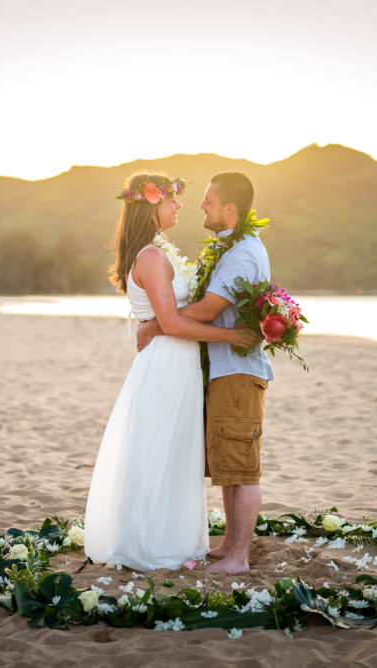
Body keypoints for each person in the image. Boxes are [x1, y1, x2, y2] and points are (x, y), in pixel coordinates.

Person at [84, 173, 258, 571]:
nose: (179, 206)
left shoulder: (157, 252)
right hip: (167, 362)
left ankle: (173, 540)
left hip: (177, 363)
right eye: (171, 201)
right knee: (162, 451)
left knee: (176, 451)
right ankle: (157, 546)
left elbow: (169, 318)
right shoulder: (153, 257)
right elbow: (174, 323)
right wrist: (231, 334)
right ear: (151, 207)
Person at [137, 172, 272, 575]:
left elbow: (208, 309)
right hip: (224, 371)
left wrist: (158, 323)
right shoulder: (229, 248)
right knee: (229, 464)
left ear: (230, 208)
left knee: (242, 466)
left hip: (237, 370)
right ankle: (230, 544)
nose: (202, 206)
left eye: (209, 200)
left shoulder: (242, 252)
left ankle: (238, 558)